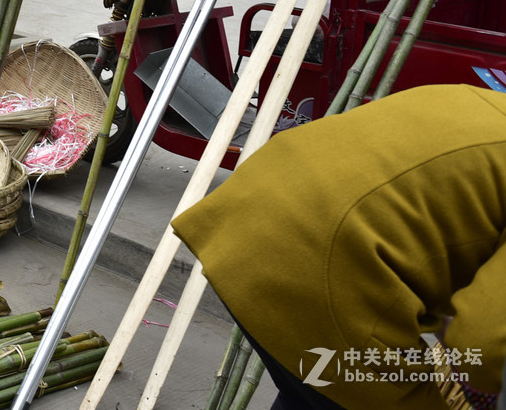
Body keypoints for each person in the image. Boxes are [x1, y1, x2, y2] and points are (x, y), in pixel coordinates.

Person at [172, 83, 506, 410]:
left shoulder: (483, 105)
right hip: (323, 264)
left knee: (313, 393)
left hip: (253, 217)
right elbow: (484, 344)